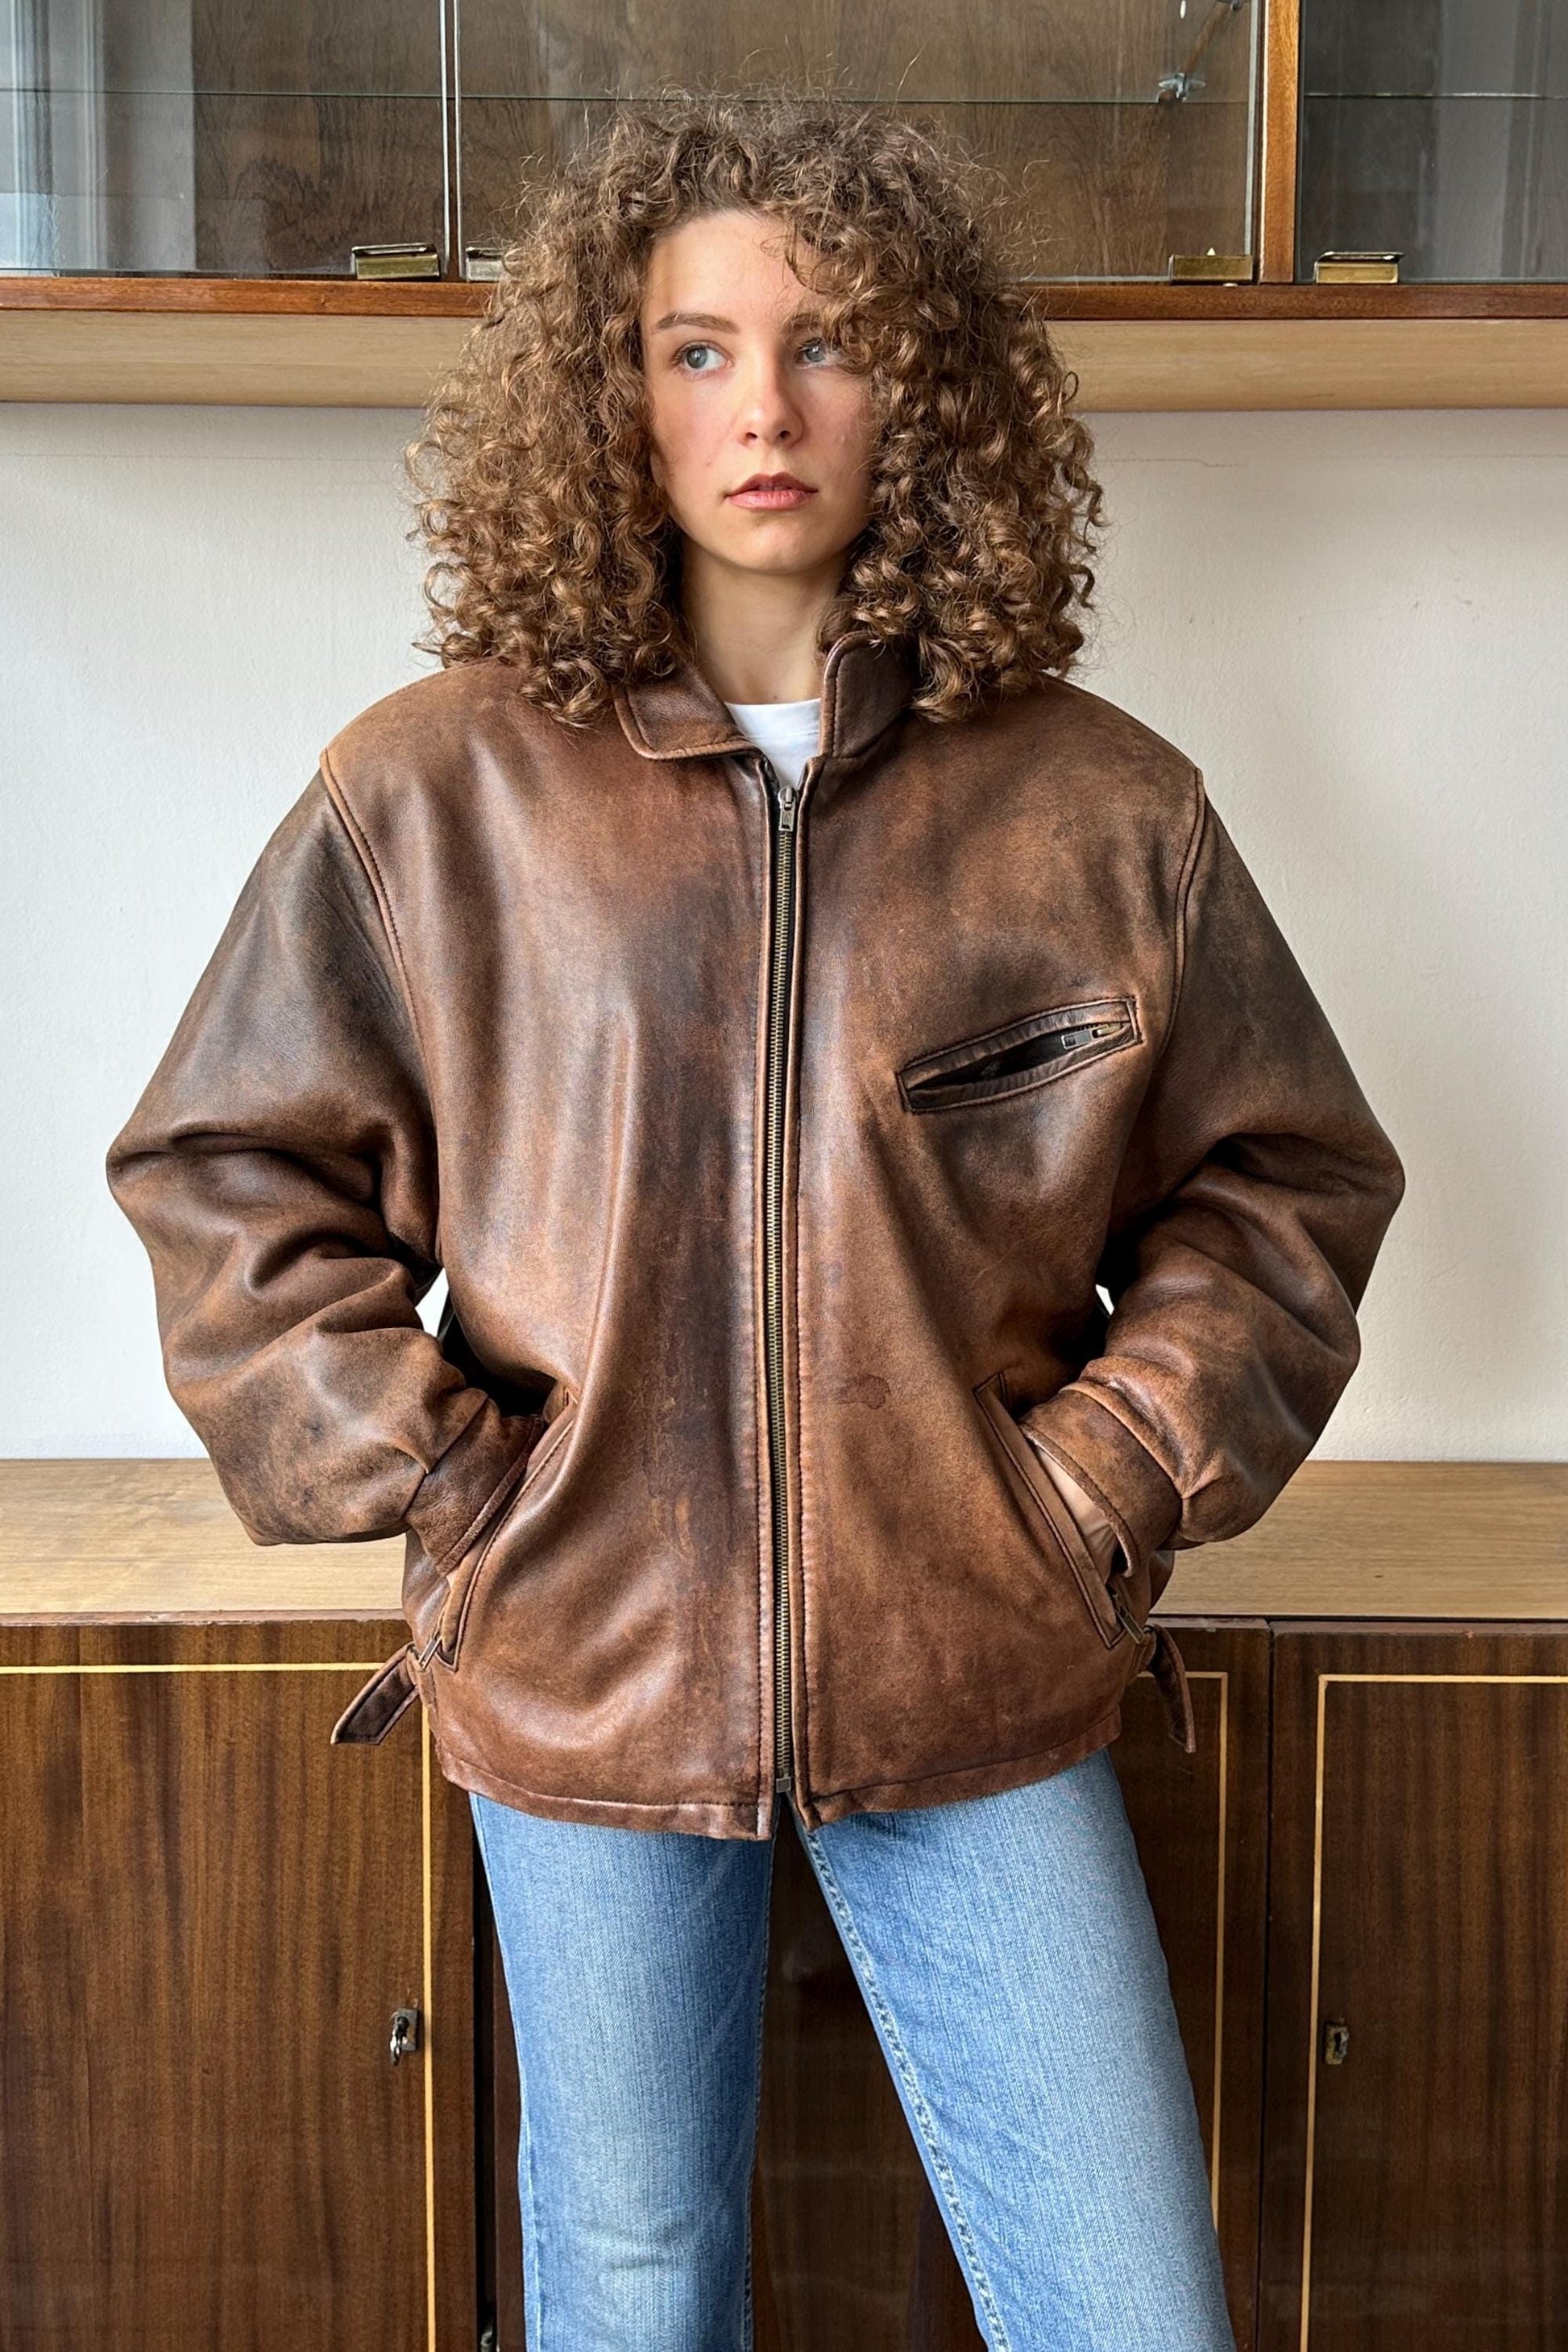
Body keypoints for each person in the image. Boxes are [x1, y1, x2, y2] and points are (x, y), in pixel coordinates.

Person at [106, 89, 1405, 2352]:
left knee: (1129, 2306)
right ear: (609, 395)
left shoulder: (1099, 805)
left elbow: (1281, 1184)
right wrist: (459, 1490)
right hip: (581, 1668)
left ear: (924, 391)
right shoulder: (432, 793)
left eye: (826, 343)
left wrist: (1097, 1485)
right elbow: (228, 1173)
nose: (763, 408)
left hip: (978, 1660)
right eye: (692, 348)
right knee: (632, 2291)